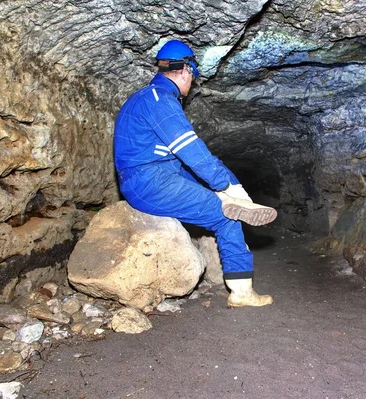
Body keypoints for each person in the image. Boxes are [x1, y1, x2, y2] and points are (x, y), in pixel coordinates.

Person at [113, 40, 276, 308]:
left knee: (220, 195)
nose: (192, 84)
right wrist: (227, 185)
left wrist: (222, 188)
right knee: (227, 218)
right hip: (154, 183)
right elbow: (192, 152)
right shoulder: (160, 100)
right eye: (194, 76)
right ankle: (242, 292)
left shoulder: (140, 98)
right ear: (186, 70)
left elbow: (176, 164)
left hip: (152, 177)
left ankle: (238, 199)